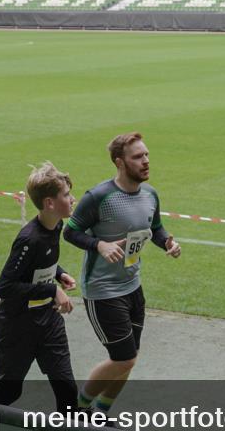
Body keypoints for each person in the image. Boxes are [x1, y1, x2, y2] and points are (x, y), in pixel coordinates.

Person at [63, 132, 181, 416]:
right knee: (124, 359)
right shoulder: (98, 197)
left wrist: (167, 242)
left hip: (133, 286)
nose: (146, 161)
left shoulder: (150, 195)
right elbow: (70, 232)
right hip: (103, 290)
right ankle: (77, 407)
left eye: (146, 155)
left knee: (130, 357)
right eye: (138, 157)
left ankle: (101, 412)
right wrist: (99, 245)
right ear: (119, 162)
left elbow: (155, 228)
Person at [0, 162, 78, 413]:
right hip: (18, 326)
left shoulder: (57, 224)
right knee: (9, 391)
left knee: (67, 391)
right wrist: (52, 290)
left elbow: (40, 263)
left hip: (48, 321)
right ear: (49, 203)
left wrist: (59, 274)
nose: (72, 199)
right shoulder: (28, 239)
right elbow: (5, 287)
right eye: (66, 195)